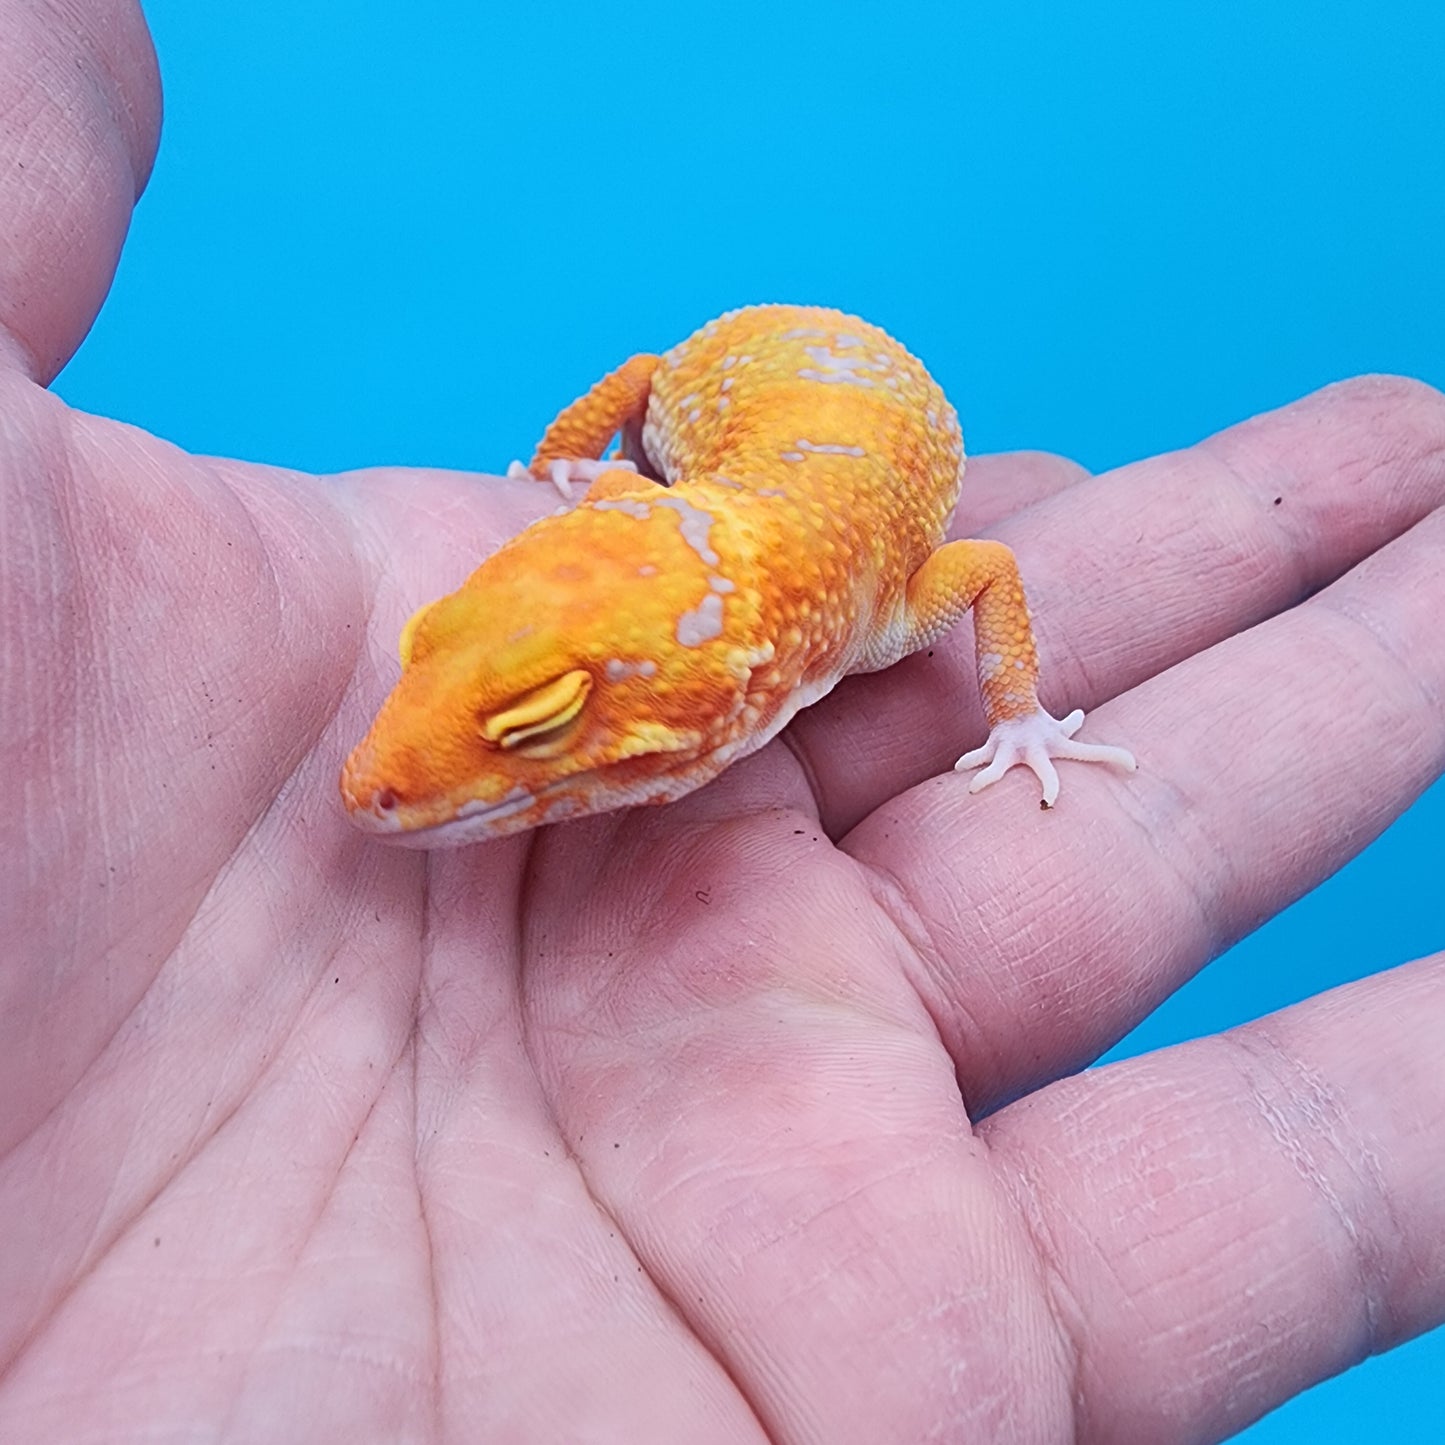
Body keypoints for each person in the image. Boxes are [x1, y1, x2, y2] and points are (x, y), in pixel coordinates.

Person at [2, 2, 1442, 1439]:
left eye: (542, 718)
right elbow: (641, 393)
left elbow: (987, 568)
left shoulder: (876, 602)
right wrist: (572, 468)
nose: (372, 784)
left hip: (815, 409)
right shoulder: (653, 504)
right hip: (732, 389)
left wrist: (1023, 717)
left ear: (747, 686)